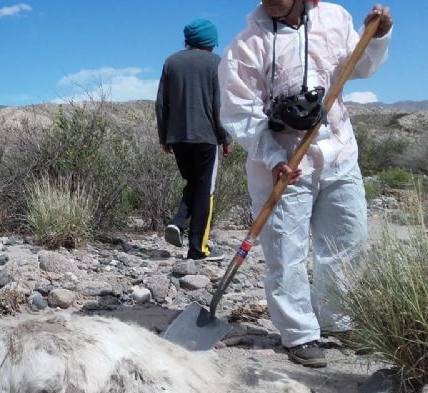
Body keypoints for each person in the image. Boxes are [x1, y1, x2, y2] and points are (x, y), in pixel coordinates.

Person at [219, 0, 393, 367]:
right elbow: (239, 110)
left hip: (339, 152)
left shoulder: (335, 18)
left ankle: (338, 319)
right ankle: (298, 333)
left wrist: (376, 37)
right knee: (286, 251)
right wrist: (272, 157)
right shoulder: (247, 45)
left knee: (347, 241)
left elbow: (360, 66)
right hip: (284, 162)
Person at [156, 18, 233, 261]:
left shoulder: (171, 62)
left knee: (194, 183)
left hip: (177, 136)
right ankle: (198, 249)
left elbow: (161, 104)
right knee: (205, 190)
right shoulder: (216, 63)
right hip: (206, 136)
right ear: (211, 42)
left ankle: (178, 222)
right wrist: (225, 137)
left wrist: (164, 136)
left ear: (187, 40)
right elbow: (219, 105)